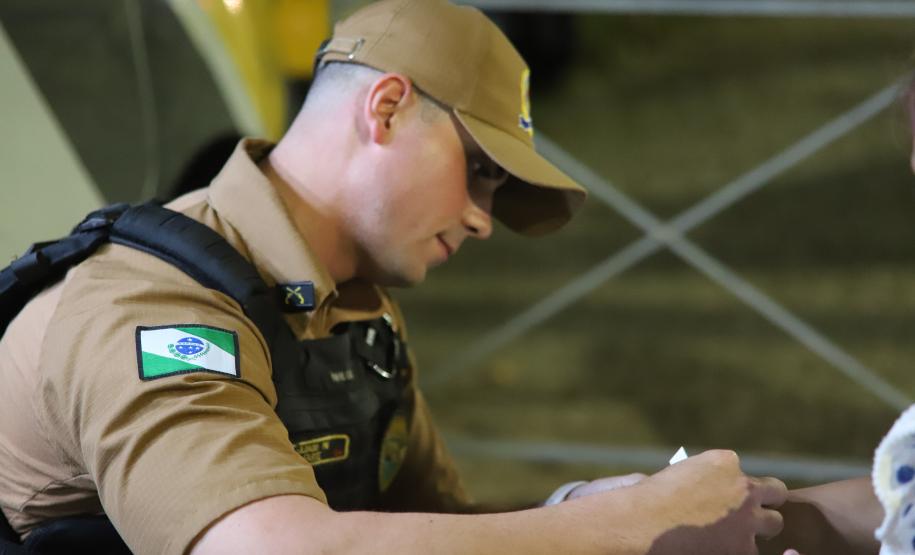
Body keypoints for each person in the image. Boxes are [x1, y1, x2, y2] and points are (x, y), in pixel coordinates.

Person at [0, 1, 789, 553]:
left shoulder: (356, 315)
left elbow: (434, 524)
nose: (483, 216)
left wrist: (579, 508)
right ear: (383, 109)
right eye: (479, 170)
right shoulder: (156, 302)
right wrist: (628, 530)